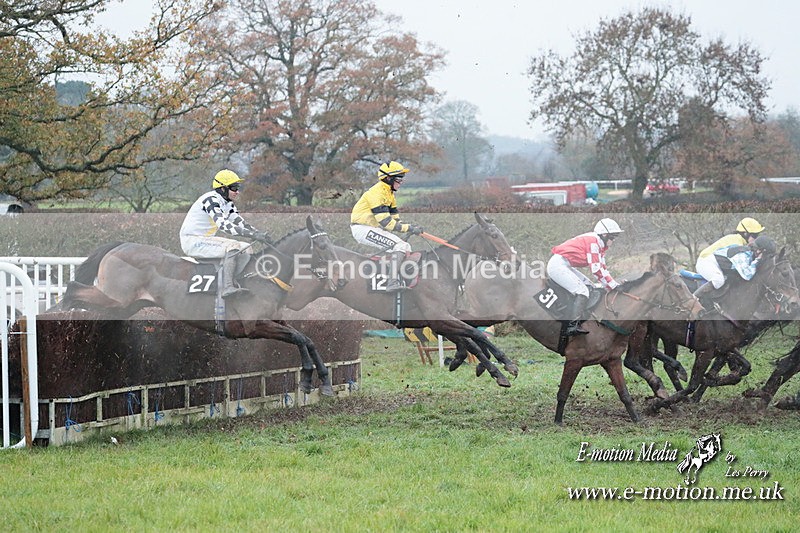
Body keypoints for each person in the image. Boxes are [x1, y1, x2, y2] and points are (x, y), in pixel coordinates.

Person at [180, 169, 271, 299]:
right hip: (192, 241)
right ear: (222, 188)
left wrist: (258, 233)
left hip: (204, 240)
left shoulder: (228, 203)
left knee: (246, 246)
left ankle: (241, 281)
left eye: (237, 188)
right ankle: (227, 287)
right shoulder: (210, 200)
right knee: (233, 245)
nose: (237, 191)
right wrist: (253, 235)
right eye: (234, 188)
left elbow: (240, 223)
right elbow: (224, 226)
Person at [350, 161, 424, 291]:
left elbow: (396, 220)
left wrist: (411, 227)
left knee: (405, 246)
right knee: (400, 246)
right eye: (399, 179)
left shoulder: (389, 194)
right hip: (362, 229)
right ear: (388, 178)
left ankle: (396, 277)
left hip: (371, 228)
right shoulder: (377, 193)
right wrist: (409, 228)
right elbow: (386, 223)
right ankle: (392, 283)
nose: (401, 182)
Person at [546, 218, 624, 336]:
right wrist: (612, 286)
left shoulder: (600, 244)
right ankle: (572, 326)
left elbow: (603, 268)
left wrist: (612, 285)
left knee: (590, 286)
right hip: (557, 265)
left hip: (565, 264)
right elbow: (596, 270)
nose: (613, 241)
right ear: (604, 234)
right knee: (582, 291)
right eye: (612, 238)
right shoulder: (594, 242)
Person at [694, 217, 765, 298]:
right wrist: (758, 259)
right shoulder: (737, 244)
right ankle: (694, 298)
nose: (756, 239)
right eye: (755, 235)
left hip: (714, 262)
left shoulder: (739, 240)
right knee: (719, 280)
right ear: (745, 233)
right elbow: (747, 274)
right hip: (706, 262)